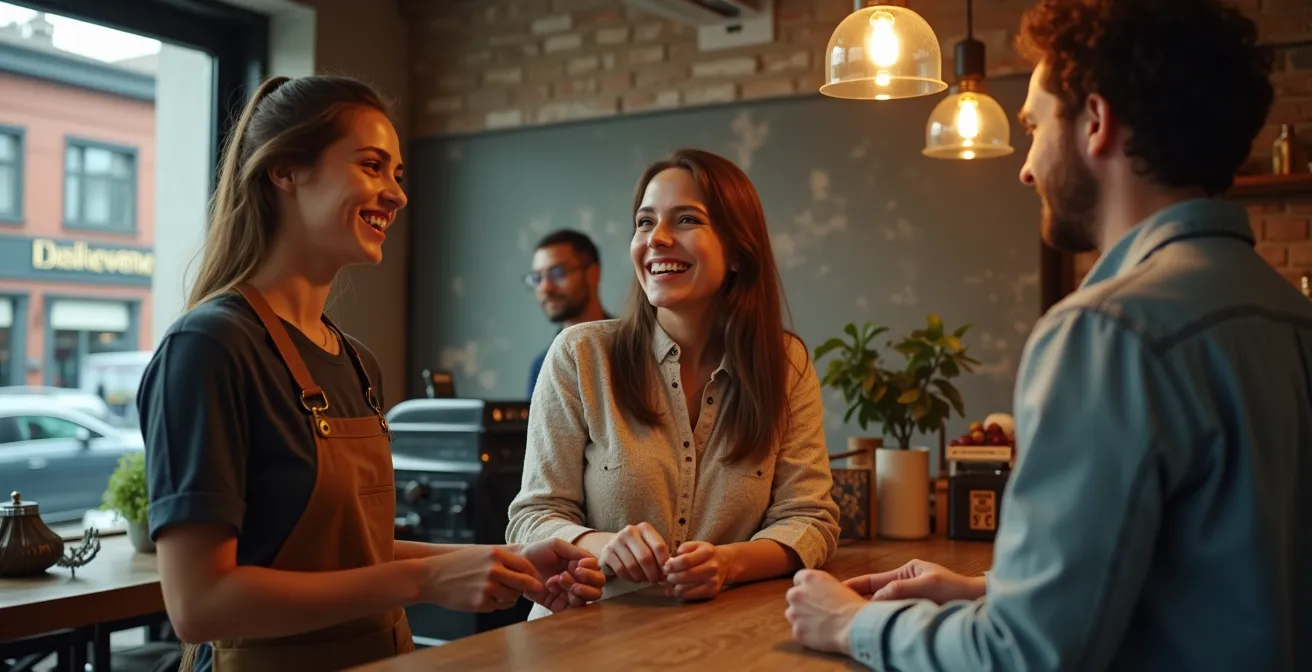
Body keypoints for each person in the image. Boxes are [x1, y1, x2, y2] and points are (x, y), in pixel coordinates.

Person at [785, 1, 1311, 670]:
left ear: (1095, 122)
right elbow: (1209, 578)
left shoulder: (1106, 333)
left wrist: (853, 624)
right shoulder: (1290, 317)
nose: (1026, 167)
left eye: (1034, 126)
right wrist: (992, 589)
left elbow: (1023, 655)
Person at [138, 75, 604, 672]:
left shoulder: (356, 361)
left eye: (397, 174)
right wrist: (426, 580)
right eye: (371, 166)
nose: (397, 195)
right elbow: (200, 605)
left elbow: (354, 552)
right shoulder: (209, 348)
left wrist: (503, 560)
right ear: (285, 171)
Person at [507, 148, 841, 620]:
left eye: (686, 220)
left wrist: (728, 563)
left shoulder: (785, 365)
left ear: (738, 250)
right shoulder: (579, 354)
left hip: (714, 637)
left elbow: (810, 518)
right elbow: (531, 519)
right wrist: (602, 545)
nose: (657, 238)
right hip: (583, 635)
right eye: (645, 222)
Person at [525, 229, 611, 398]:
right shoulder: (542, 365)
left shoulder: (633, 347)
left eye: (557, 273)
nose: (545, 288)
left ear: (593, 274)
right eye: (537, 278)